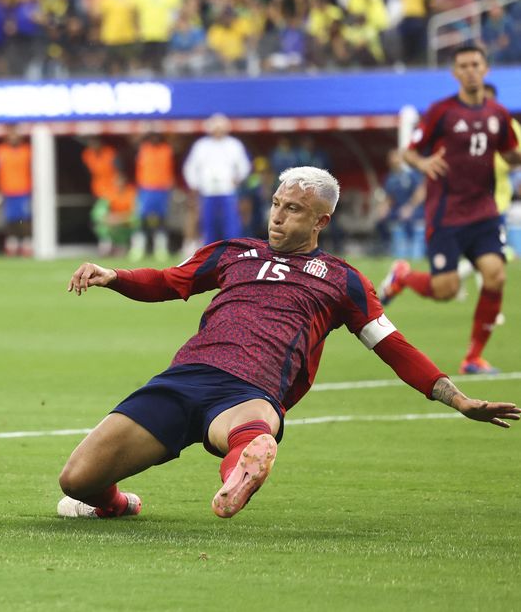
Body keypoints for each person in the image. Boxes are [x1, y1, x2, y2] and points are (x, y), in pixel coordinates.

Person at [57, 166, 519, 522]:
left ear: (322, 220)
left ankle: (243, 470)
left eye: (293, 209)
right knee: (76, 479)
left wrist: (456, 398)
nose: (277, 215)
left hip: (250, 393)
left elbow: (392, 345)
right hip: (184, 379)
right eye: (276, 204)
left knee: (252, 432)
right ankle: (117, 505)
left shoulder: (343, 281)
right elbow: (165, 281)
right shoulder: (233, 252)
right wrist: (114, 276)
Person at [378, 46, 520, 375]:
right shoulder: (441, 112)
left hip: (483, 212)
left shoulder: (498, 115)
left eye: (476, 64)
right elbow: (410, 151)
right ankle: (403, 277)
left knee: (496, 276)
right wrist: (424, 161)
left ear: (486, 69)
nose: (470, 70)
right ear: (455, 72)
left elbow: (511, 154)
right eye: (463, 66)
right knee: (447, 289)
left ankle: (474, 358)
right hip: (446, 215)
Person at [182, 114, 251, 245]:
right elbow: (190, 166)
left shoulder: (233, 145)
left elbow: (244, 166)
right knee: (208, 223)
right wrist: (194, 184)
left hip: (227, 190)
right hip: (208, 190)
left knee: (230, 223)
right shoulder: (201, 146)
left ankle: (233, 247)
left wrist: (238, 178)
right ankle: (209, 249)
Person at [130, 132, 174, 261]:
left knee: (161, 219)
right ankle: (138, 249)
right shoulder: (143, 149)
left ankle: (161, 249)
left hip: (161, 188)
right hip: (146, 188)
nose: (154, 139)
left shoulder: (166, 150)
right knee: (142, 219)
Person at [0, 124, 32, 257]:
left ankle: (26, 243)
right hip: (7, 191)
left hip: (24, 190)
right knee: (10, 219)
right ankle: (12, 243)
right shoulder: (0, 151)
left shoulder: (27, 151)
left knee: (25, 219)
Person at [81, 137, 120, 256]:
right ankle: (105, 245)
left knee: (111, 219)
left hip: (112, 192)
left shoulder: (110, 153)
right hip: (98, 192)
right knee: (98, 219)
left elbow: (118, 171)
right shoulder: (87, 155)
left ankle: (113, 245)